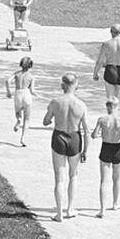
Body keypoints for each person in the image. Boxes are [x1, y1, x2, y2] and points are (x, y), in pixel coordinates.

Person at [42, 73, 89, 221]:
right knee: (73, 175)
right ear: (76, 85)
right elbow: (87, 131)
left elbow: (46, 121)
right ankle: (70, 209)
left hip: (59, 136)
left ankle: (59, 213)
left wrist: (51, 116)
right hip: (74, 138)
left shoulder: (56, 102)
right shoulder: (81, 105)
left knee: (59, 178)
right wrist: (86, 150)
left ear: (63, 85)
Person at [90, 98, 120, 218]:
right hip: (117, 148)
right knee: (116, 179)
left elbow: (94, 135)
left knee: (103, 180)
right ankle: (115, 203)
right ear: (117, 106)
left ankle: (102, 210)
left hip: (105, 147)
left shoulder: (102, 119)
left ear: (107, 107)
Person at [6, 56, 36, 147]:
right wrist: (36, 94)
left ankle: (18, 120)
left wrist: (8, 92)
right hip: (26, 94)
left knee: (18, 112)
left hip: (18, 93)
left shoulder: (16, 74)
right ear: (30, 66)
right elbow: (32, 90)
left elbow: (7, 81)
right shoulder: (31, 77)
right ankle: (23, 138)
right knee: (27, 118)